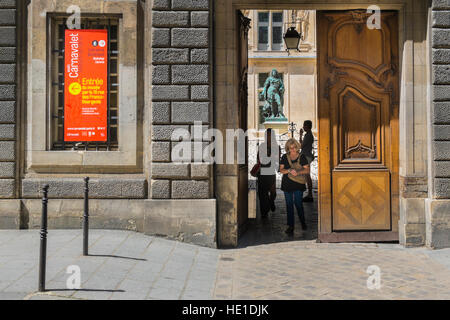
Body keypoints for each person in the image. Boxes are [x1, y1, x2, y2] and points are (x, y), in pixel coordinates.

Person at [279, 138, 310, 234]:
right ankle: (290, 226)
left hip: (298, 183)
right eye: (290, 148)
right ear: (288, 148)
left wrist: (298, 171)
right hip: (287, 183)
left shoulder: (302, 156)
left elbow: (307, 170)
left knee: (298, 203)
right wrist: (288, 171)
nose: (292, 150)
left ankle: (303, 222)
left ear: (297, 147)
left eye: (294, 147)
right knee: (289, 205)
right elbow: (281, 170)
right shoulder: (284, 157)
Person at [256, 128, 280, 218]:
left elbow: (277, 158)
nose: (269, 137)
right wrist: (270, 157)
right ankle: (264, 212)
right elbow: (260, 158)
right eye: (267, 135)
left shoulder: (276, 147)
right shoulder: (262, 145)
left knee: (273, 193)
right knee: (263, 193)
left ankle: (271, 202)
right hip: (262, 172)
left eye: (270, 135)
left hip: (271, 171)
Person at [299, 120, 314, 202]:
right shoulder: (308, 135)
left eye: (304, 125)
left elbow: (301, 145)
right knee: (306, 175)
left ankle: (310, 195)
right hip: (306, 156)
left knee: (307, 176)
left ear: (307, 126)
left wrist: (300, 135)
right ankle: (309, 194)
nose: (303, 127)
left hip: (306, 157)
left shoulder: (308, 136)